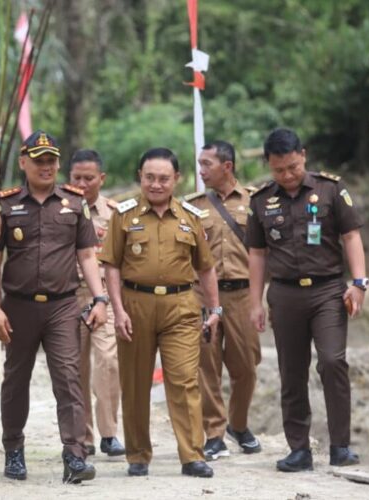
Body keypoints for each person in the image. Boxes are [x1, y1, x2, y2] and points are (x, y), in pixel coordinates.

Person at [0, 130, 107, 485]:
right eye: (38, 160)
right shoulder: (5, 204)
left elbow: (86, 254)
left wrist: (99, 299)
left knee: (69, 379)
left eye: (51, 160)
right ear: (23, 163)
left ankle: (74, 455)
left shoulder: (74, 202)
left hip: (63, 307)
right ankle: (14, 449)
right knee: (16, 380)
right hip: (18, 307)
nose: (46, 166)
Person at [247, 128, 367, 472]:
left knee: (332, 361)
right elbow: (256, 253)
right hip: (284, 294)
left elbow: (351, 235)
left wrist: (359, 283)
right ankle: (298, 449)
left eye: (293, 167)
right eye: (278, 170)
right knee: (292, 371)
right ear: (269, 165)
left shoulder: (331, 189)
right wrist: (256, 302)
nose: (286, 176)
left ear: (304, 155)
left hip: (328, 291)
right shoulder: (261, 200)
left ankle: (340, 446)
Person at [100, 147, 222, 478]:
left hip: (180, 307)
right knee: (136, 382)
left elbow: (206, 268)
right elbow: (110, 264)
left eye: (163, 178)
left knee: (184, 381)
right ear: (140, 177)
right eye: (150, 177)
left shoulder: (190, 218)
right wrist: (118, 309)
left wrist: (214, 308)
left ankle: (192, 455)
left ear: (176, 180)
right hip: (134, 306)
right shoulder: (123, 216)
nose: (156, 184)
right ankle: (138, 454)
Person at [184, 141, 262, 460]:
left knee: (246, 365)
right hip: (202, 293)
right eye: (199, 164)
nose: (200, 170)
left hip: (243, 293)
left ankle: (239, 424)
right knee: (207, 365)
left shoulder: (255, 202)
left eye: (207, 164)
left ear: (226, 167)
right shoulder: (191, 206)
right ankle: (214, 433)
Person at [67, 149, 125, 457]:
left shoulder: (114, 214)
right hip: (70, 297)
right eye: (77, 177)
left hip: (104, 297)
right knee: (75, 368)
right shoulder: (61, 210)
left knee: (108, 361)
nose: (83, 183)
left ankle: (109, 433)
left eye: (89, 178)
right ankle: (83, 436)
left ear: (101, 179)